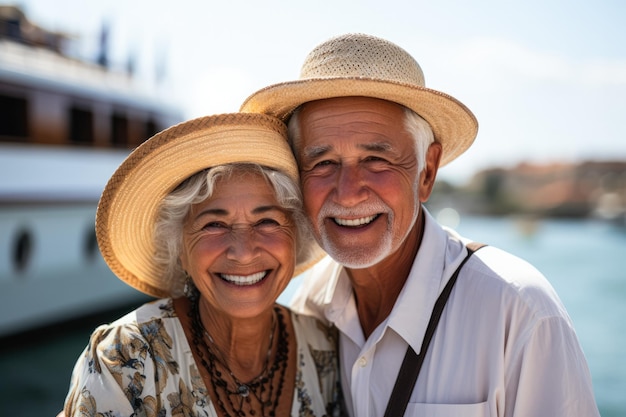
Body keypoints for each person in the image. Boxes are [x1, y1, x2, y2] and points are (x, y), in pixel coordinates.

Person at [240, 33, 600, 416]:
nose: (346, 193)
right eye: (323, 163)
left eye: (376, 160)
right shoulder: (310, 306)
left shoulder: (519, 312)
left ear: (427, 172)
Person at [61, 113, 342, 417]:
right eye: (214, 225)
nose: (243, 252)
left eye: (267, 221)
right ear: (180, 249)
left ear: (297, 237)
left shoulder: (324, 346)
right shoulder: (126, 356)